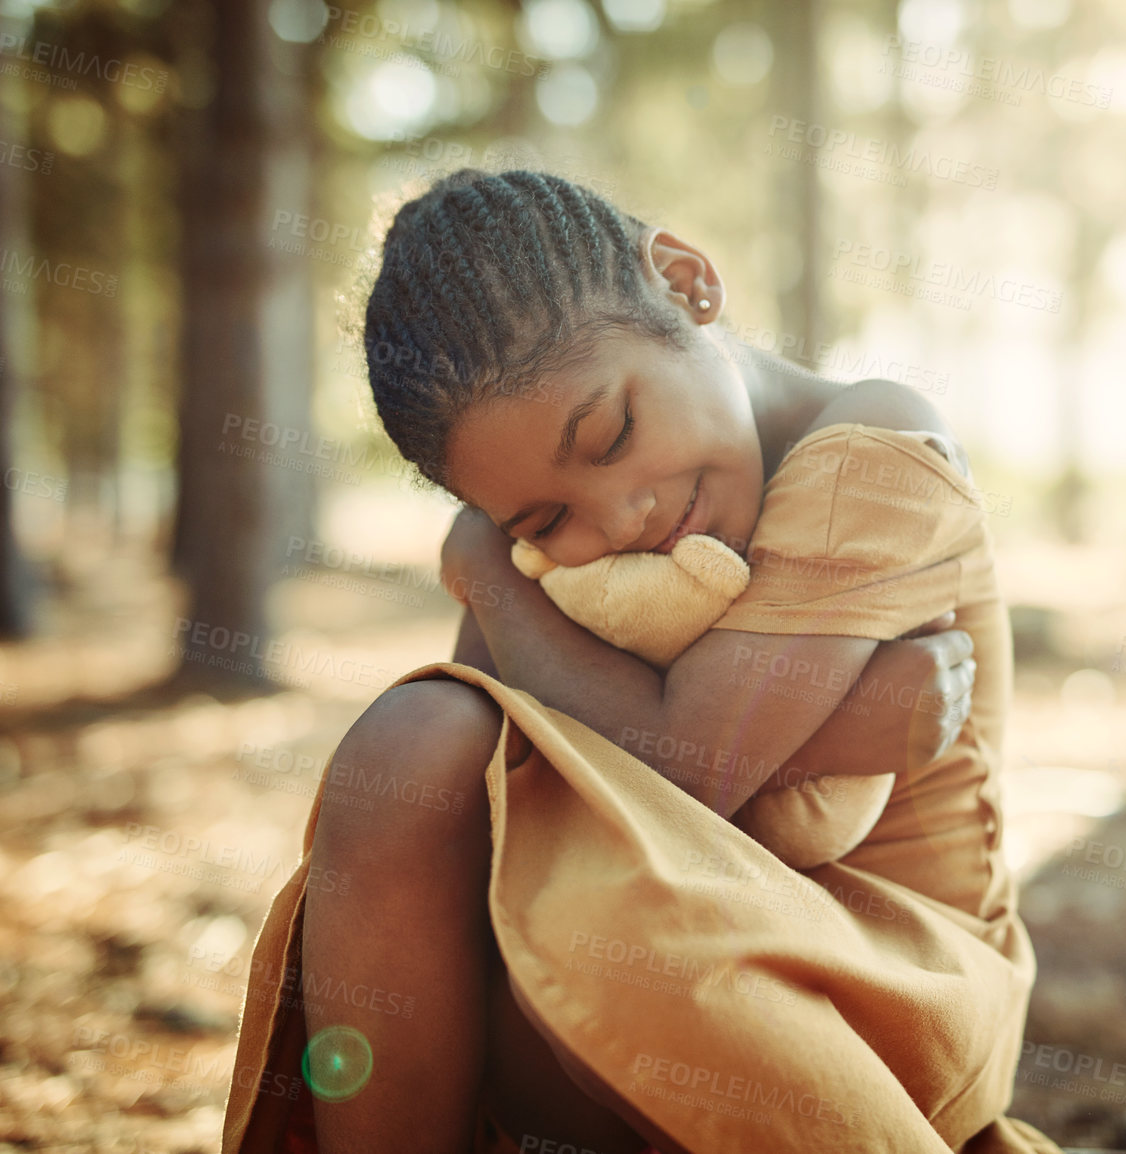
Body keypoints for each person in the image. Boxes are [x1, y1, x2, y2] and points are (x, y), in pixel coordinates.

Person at [221, 168, 1062, 1154]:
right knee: (414, 740)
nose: (622, 517)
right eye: (542, 519)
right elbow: (492, 781)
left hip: (885, 998)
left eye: (611, 432)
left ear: (686, 284)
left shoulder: (871, 445)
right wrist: (845, 722)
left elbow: (693, 767)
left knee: (586, 915)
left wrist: (490, 576)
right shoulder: (556, 532)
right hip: (653, 967)